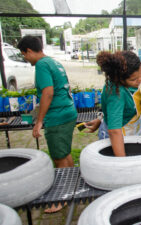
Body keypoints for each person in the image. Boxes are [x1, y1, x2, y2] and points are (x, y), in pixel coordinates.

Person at [17, 35, 77, 213]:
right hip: (67, 111)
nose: (25, 59)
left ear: (28, 50)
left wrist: (39, 121)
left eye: (24, 55)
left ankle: (61, 198)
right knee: (65, 153)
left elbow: (48, 92)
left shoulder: (42, 65)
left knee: (58, 158)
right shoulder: (53, 62)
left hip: (57, 116)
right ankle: (73, 186)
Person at [84, 51, 141, 156]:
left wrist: (100, 119)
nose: (139, 80)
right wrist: (122, 160)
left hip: (130, 133)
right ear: (119, 79)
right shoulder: (116, 94)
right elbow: (114, 131)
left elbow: (111, 110)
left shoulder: (125, 85)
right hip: (117, 140)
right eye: (133, 79)